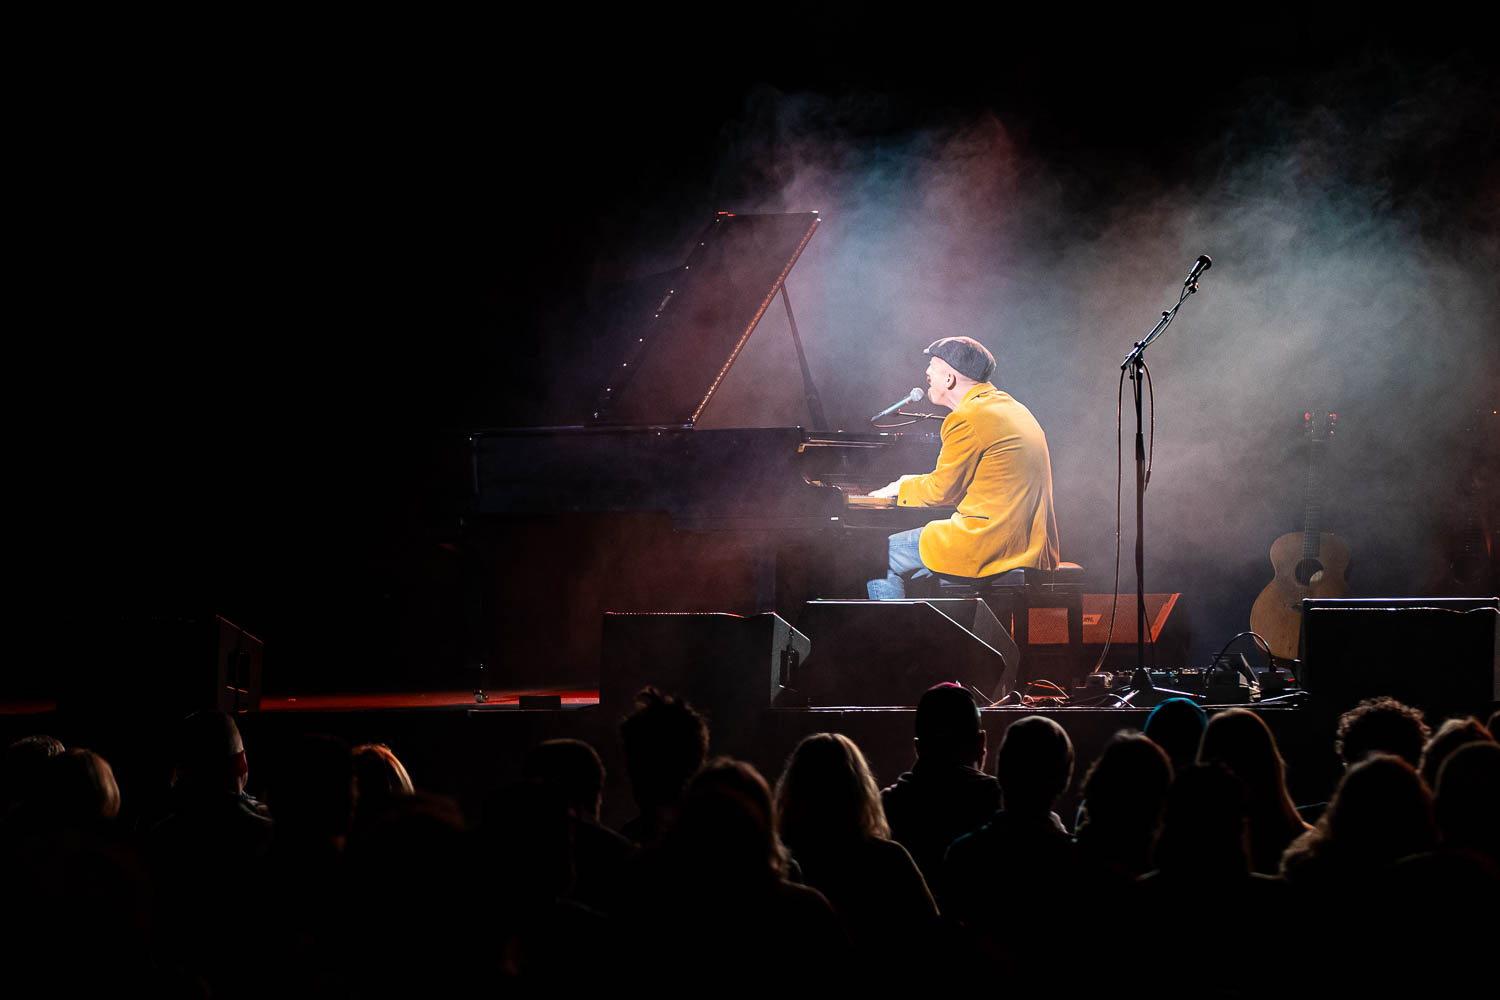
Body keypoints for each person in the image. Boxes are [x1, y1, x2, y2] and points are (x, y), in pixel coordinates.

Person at [867, 336, 1059, 599]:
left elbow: (940, 492)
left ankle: (898, 640)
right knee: (918, 566)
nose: (927, 372)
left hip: (988, 543)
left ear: (949, 378)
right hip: (1030, 547)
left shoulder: (966, 418)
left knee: (875, 556)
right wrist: (913, 481)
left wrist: (901, 487)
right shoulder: (1012, 408)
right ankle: (938, 635)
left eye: (932, 366)